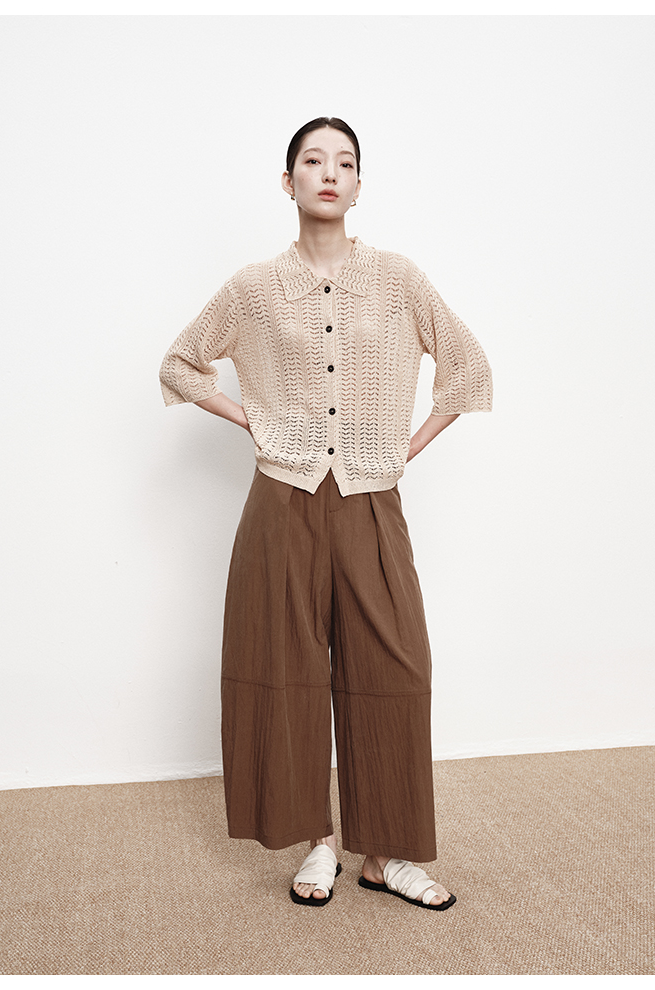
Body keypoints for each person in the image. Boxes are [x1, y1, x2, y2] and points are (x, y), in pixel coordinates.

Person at [159, 117, 492, 911]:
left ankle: (387, 854)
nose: (329, 173)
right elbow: (181, 363)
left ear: (359, 184)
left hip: (372, 500)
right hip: (282, 501)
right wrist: (254, 421)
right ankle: (315, 842)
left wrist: (405, 447)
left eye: (344, 162)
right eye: (313, 161)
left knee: (395, 669)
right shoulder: (253, 289)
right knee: (286, 671)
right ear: (289, 182)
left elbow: (468, 367)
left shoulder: (398, 280)